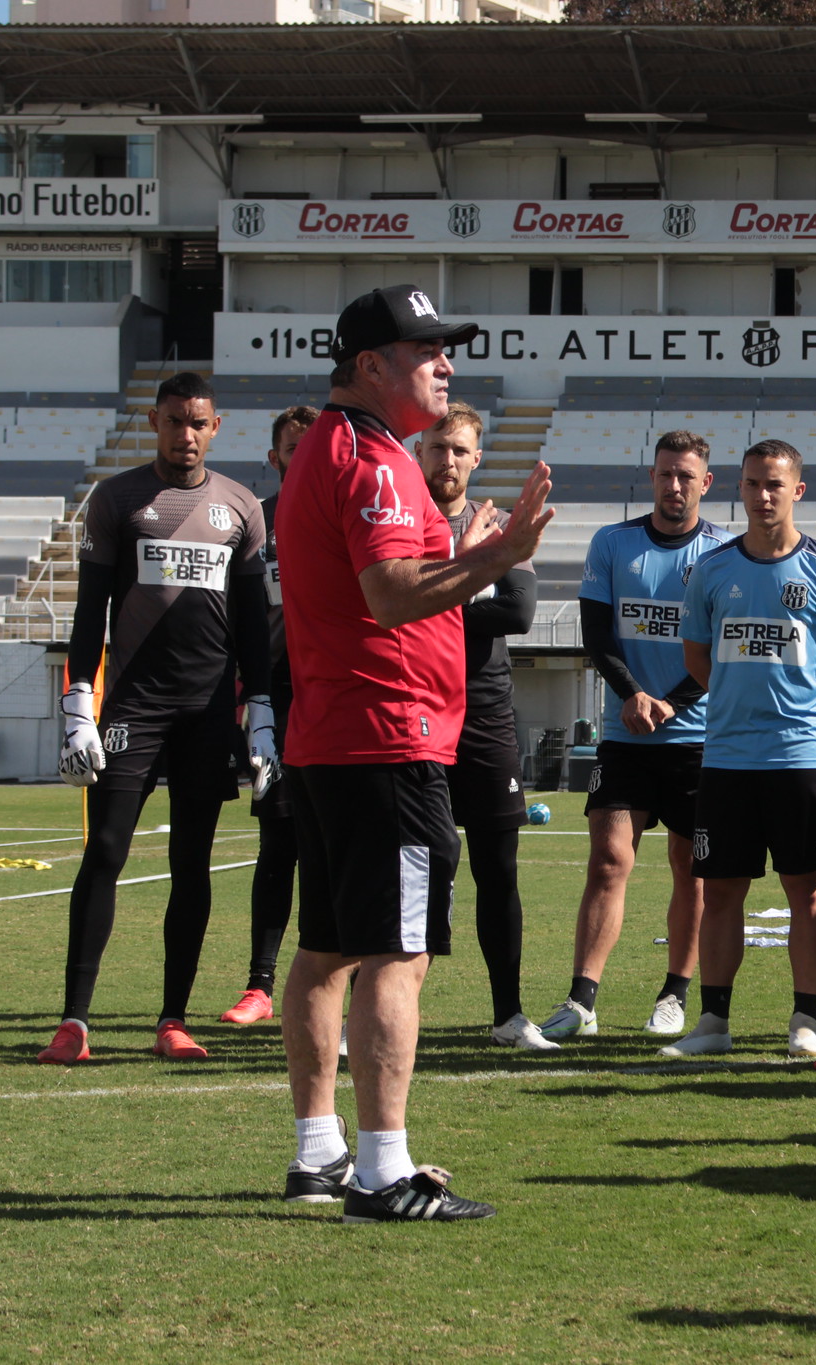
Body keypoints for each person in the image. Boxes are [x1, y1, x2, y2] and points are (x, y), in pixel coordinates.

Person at [276, 284, 552, 1223]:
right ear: (370, 365)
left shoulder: (333, 444)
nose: (446, 363)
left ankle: (319, 1151)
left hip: (334, 736)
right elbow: (392, 594)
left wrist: (465, 550)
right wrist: (497, 554)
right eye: (426, 349)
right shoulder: (377, 458)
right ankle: (383, 1171)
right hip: (386, 738)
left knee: (326, 949)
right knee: (397, 953)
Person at [37, 370, 276, 1066]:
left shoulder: (241, 507)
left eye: (198, 423)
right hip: (133, 708)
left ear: (215, 427)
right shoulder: (117, 499)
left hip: (207, 711)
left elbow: (254, 626)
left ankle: (173, 1020)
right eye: (174, 421)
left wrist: (260, 710)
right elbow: (90, 612)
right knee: (106, 851)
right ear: (154, 422)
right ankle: (73, 1022)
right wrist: (78, 703)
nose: (186, 435)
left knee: (191, 864)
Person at [660, 439, 816, 1059]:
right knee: (722, 892)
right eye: (752, 484)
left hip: (799, 758)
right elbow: (696, 657)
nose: (762, 495)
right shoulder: (713, 569)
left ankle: (805, 1022)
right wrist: (735, 703)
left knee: (806, 892)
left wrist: (814, 714)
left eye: (774, 484)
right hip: (727, 757)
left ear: (797, 491)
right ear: (740, 489)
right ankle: (712, 1024)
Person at [536, 431, 724, 1047]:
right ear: (652, 477)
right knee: (609, 861)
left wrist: (671, 702)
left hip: (696, 738)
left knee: (691, 870)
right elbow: (598, 635)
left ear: (705, 483)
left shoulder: (723, 552)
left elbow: (720, 648)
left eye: (686, 476)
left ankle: (674, 995)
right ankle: (581, 1000)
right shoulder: (613, 543)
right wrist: (634, 696)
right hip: (626, 735)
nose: (675, 485)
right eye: (666, 473)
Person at [415, 403, 541, 1046]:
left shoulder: (498, 528)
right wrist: (469, 588)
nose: (449, 460)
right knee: (412, 866)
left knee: (498, 868)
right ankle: (376, 1012)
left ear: (477, 458)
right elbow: (378, 602)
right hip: (411, 707)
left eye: (460, 450)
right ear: (419, 451)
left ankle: (508, 1015)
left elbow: (518, 612)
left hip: (485, 712)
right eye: (438, 448)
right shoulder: (399, 521)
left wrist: (429, 597)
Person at [220, 403, 318, 1027]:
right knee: (278, 842)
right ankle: (260, 986)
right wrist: (247, 699)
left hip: (338, 693)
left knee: (336, 845)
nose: (302, 457)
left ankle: (336, 979)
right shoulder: (255, 524)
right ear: (274, 457)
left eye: (313, 447)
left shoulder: (347, 515)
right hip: (277, 697)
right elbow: (237, 620)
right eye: (292, 448)